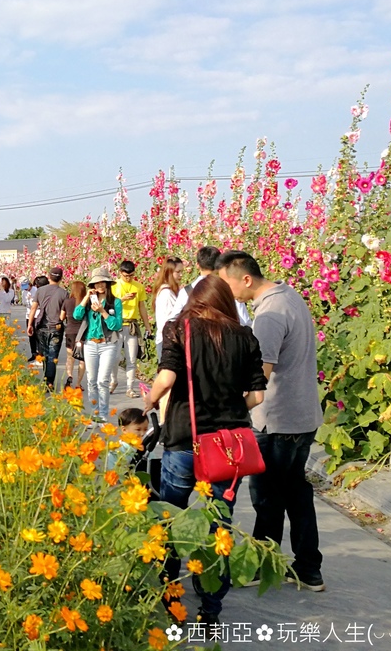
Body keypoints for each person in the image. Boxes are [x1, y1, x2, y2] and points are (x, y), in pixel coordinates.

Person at [142, 275, 267, 626]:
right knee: (218, 526)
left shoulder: (179, 329)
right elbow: (257, 396)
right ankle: (211, 610)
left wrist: (150, 399)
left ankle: (172, 600)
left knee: (171, 518)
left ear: (195, 302)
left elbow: (167, 378)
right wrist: (233, 409)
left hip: (185, 439)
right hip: (226, 446)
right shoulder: (245, 336)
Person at [217, 249, 326, 592]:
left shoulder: (269, 315)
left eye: (227, 285)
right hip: (302, 415)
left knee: (267, 496)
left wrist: (232, 411)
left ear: (246, 279)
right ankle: (308, 568)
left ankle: (259, 565)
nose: (227, 293)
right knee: (295, 491)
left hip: (277, 419)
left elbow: (258, 379)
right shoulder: (288, 295)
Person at [72, 267, 123, 420]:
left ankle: (103, 415)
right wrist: (86, 298)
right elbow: (76, 315)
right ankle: (95, 414)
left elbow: (116, 325)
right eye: (97, 283)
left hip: (108, 344)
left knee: (103, 381)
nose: (100, 285)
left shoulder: (115, 302)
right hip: (90, 344)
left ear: (108, 284)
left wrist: (103, 311)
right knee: (91, 381)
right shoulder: (89, 302)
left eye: (103, 282)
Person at [173, 246, 251, 326]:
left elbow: (173, 319)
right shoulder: (228, 289)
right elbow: (245, 322)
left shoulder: (185, 292)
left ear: (198, 265)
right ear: (218, 265)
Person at [112, 260, 152, 399]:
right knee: (115, 357)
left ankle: (130, 388)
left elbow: (142, 307)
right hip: (117, 325)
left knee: (132, 359)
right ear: (120, 273)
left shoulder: (138, 286)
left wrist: (147, 326)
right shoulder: (114, 286)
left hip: (131, 325)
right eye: (126, 276)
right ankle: (113, 380)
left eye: (131, 275)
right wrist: (122, 299)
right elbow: (109, 306)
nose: (128, 278)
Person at [27, 266, 69, 391]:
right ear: (61, 278)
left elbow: (33, 308)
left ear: (49, 277)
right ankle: (49, 382)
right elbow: (64, 314)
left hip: (42, 328)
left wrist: (30, 325)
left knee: (45, 355)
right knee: (53, 356)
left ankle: (47, 380)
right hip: (56, 328)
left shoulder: (40, 291)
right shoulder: (64, 293)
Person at [152, 257, 185, 363]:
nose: (181, 275)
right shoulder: (166, 293)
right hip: (167, 341)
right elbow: (170, 319)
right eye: (178, 272)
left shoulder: (168, 291)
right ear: (169, 272)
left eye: (181, 271)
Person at [61, 279, 87, 389]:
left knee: (70, 357)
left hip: (70, 332)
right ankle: (78, 384)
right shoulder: (86, 302)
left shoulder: (67, 302)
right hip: (83, 332)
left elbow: (61, 317)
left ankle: (69, 376)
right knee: (82, 360)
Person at [23, 276, 47, 362]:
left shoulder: (36, 290)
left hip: (37, 314)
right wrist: (28, 300)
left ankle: (40, 353)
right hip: (29, 315)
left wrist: (32, 301)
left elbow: (38, 305)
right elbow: (24, 303)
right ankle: (33, 353)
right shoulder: (24, 292)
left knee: (38, 335)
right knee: (31, 335)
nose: (25, 289)